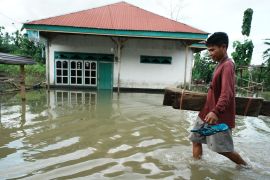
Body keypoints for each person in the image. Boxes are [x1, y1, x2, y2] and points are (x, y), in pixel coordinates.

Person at [189, 32, 248, 167]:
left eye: (212, 50)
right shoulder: (220, 63)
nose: (210, 53)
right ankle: (196, 168)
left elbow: (227, 93)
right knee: (195, 139)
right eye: (209, 50)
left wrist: (216, 111)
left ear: (224, 47)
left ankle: (245, 167)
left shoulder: (227, 65)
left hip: (217, 116)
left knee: (224, 150)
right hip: (205, 113)